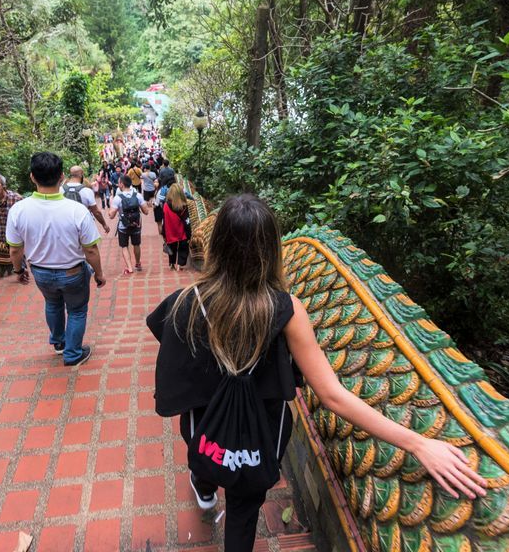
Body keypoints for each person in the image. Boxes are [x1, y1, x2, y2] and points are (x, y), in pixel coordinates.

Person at [146, 194, 487, 551]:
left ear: (217, 245)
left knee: (205, 457)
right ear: (271, 250)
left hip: (205, 424)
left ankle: (203, 487)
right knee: (243, 513)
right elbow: (332, 395)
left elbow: (176, 363)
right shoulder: (287, 311)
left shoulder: (187, 302)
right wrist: (418, 442)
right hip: (259, 437)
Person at [6, 152, 107, 366]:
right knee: (77, 311)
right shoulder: (77, 211)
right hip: (72, 272)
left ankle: (60, 343)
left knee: (52, 304)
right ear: (61, 176)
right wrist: (99, 274)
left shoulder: (18, 210)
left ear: (32, 177)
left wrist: (18, 271)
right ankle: (73, 354)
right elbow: (91, 250)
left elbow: (15, 249)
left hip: (41, 272)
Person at [109, 175, 151, 276]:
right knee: (136, 244)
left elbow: (111, 216)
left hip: (123, 226)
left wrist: (111, 203)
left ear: (122, 184)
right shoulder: (138, 195)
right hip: (136, 225)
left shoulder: (117, 198)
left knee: (124, 246)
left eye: (119, 183)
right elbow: (146, 211)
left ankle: (129, 267)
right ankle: (138, 263)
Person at [62, 166, 110, 235]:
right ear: (81, 174)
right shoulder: (87, 191)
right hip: (84, 226)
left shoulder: (60, 190)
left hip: (66, 226)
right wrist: (104, 224)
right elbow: (96, 212)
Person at [162, 183, 190, 271]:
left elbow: (164, 220)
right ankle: (180, 265)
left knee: (171, 247)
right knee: (183, 247)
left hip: (170, 231)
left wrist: (163, 233)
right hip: (181, 231)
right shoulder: (183, 206)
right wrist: (189, 234)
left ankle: (172, 264)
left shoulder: (166, 205)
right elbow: (187, 221)